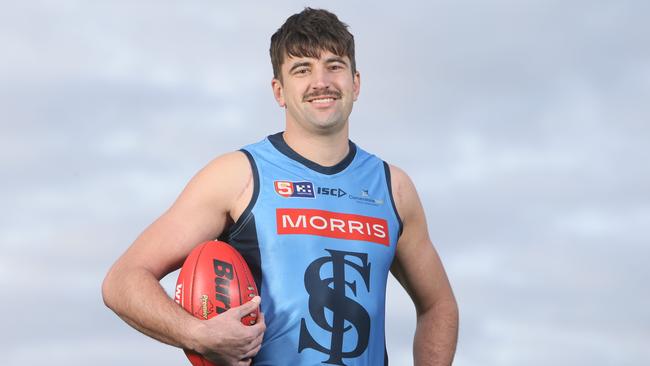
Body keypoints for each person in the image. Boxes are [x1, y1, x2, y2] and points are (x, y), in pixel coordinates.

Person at [102, 7, 458, 366]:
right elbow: (123, 280)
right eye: (302, 70)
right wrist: (196, 333)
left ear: (356, 82)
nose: (321, 82)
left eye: (334, 66)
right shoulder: (238, 176)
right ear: (279, 91)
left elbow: (438, 305)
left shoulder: (393, 188)